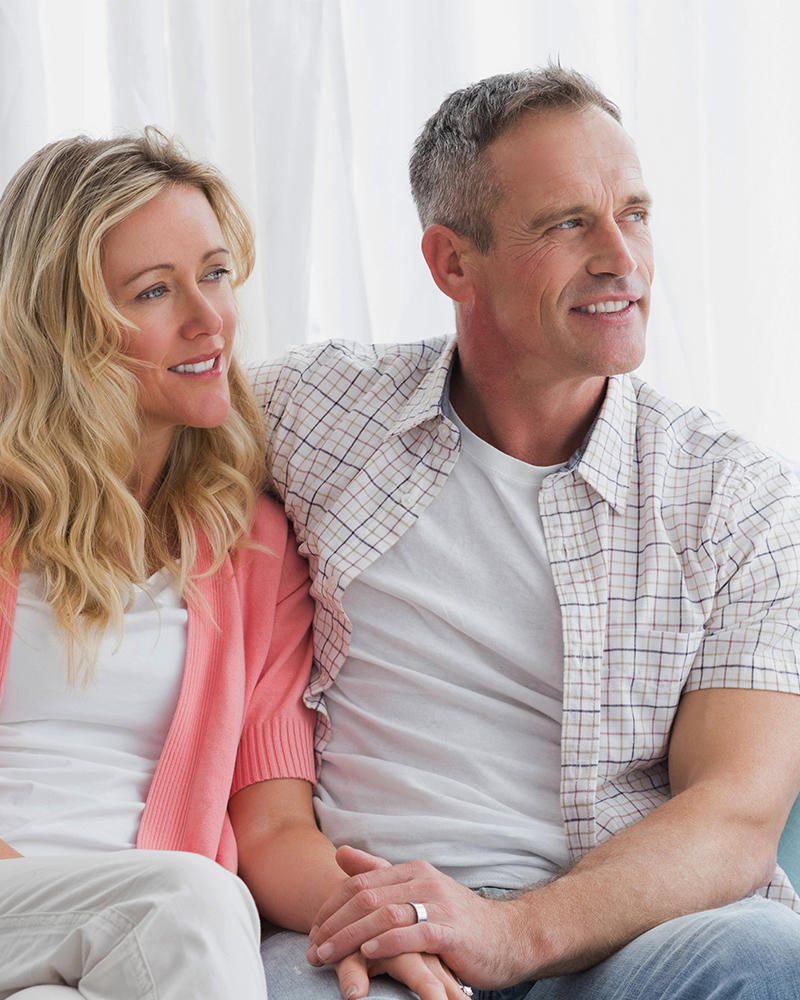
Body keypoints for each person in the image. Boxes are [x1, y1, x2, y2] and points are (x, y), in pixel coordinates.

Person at [251, 66, 800, 999]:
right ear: (452, 264)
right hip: (371, 927)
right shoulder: (312, 414)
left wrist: (512, 932)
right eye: (568, 223)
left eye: (634, 214)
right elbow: (92, 443)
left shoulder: (736, 497)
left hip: (615, 936)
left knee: (762, 958)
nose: (621, 259)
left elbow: (734, 818)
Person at [0, 131, 461, 1000]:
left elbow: (273, 827)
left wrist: (375, 920)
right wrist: (85, 911)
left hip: (130, 957)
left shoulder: (251, 548)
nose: (208, 318)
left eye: (214, 274)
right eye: (154, 290)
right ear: (64, 326)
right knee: (194, 897)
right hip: (92, 913)